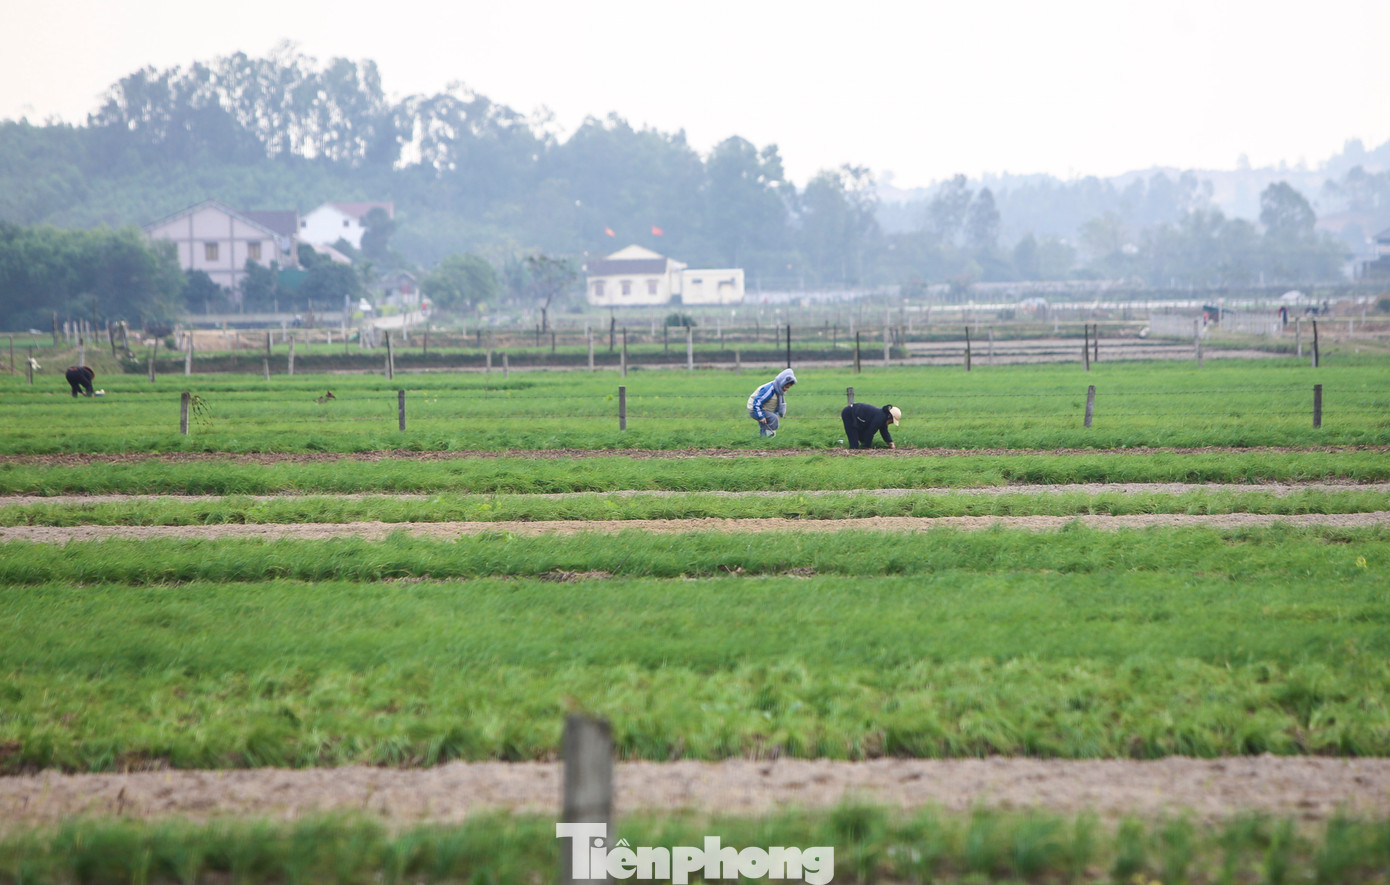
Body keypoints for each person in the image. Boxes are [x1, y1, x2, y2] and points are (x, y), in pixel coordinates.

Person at [747, 368, 796, 437]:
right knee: (773, 418)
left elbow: (775, 406)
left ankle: (764, 441)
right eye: (785, 387)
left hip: (764, 409)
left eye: (788, 387)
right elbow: (757, 402)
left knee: (766, 424)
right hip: (755, 409)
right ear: (781, 383)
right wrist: (761, 416)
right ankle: (770, 438)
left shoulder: (779, 390)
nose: (786, 389)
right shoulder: (769, 389)